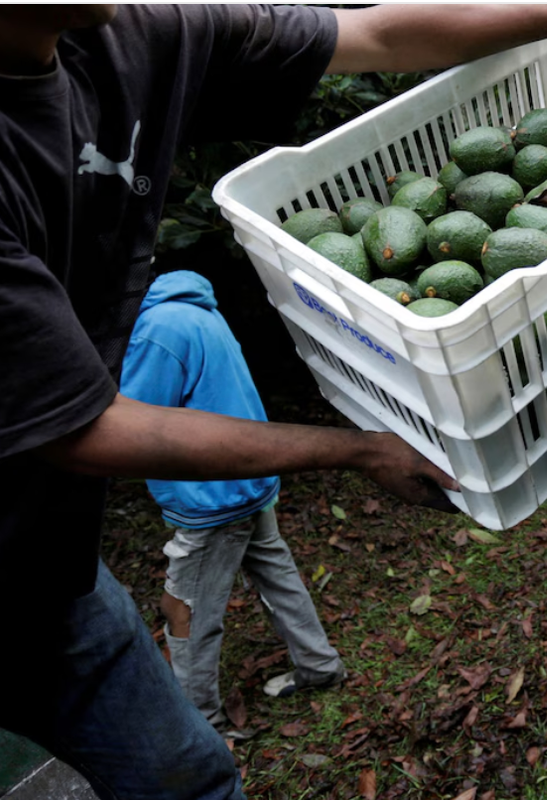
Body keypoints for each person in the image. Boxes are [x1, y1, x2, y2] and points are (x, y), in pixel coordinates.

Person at [0, 5, 547, 799]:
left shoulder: (134, 34)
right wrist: (358, 448)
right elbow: (84, 428)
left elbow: (375, 36)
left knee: (188, 777)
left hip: (50, 569)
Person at [120, 269, 347, 741]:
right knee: (276, 575)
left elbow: (134, 427)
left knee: (185, 609)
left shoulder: (156, 331)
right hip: (248, 480)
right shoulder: (193, 307)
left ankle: (202, 726)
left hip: (214, 498)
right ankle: (320, 665)